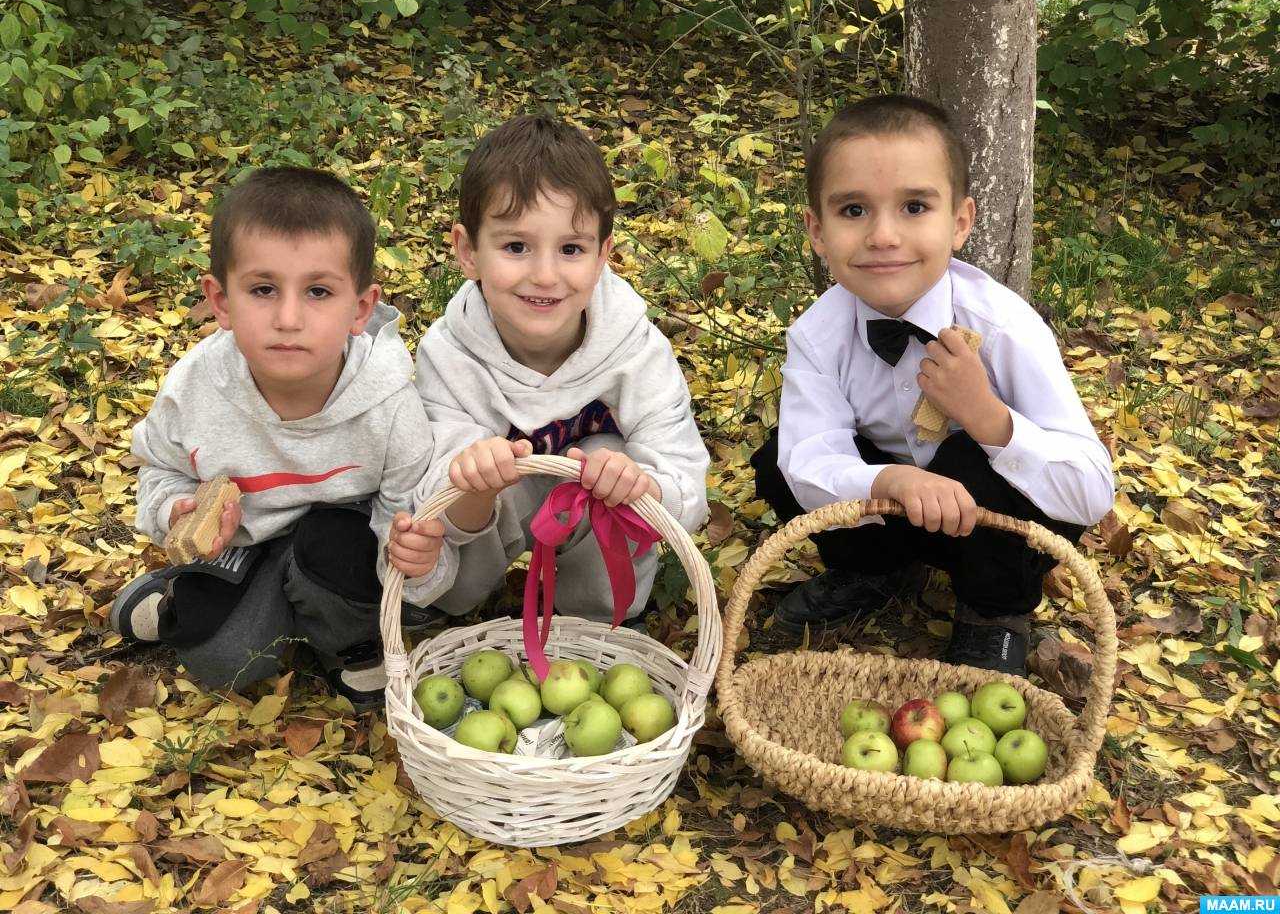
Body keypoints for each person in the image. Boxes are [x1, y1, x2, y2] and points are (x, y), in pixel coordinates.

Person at [752, 95, 1115, 675]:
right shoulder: (818, 335)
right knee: (778, 459)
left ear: (960, 223)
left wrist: (987, 416)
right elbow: (809, 456)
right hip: (894, 511)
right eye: (853, 211)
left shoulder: (1004, 328)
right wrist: (890, 477)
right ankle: (875, 569)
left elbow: (1091, 491)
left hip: (985, 523)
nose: (883, 236)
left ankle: (994, 611)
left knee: (975, 458)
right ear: (817, 231)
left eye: (915, 206)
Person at [111, 166, 449, 710]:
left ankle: (346, 641)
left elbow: (403, 517)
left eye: (318, 291)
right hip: (243, 540)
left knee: (337, 554)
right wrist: (173, 509)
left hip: (336, 546)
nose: (288, 318)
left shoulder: (389, 407)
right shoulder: (194, 388)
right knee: (226, 663)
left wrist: (414, 566)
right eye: (263, 289)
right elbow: (160, 467)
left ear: (360, 308)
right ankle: (183, 597)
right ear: (221, 301)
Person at [414, 114, 708, 626]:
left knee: (607, 458)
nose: (545, 275)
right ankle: (451, 607)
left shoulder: (634, 347)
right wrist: (472, 484)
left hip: (595, 516)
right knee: (472, 466)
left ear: (602, 257)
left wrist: (645, 487)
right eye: (515, 246)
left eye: (571, 249)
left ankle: (597, 615)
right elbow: (428, 498)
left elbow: (686, 486)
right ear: (467, 251)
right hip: (486, 524)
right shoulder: (448, 353)